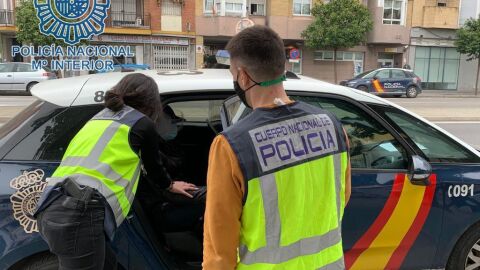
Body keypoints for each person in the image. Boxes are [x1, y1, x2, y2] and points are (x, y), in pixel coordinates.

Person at [203, 26, 351, 270]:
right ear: (282, 68)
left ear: (242, 77)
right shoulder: (333, 127)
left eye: (232, 74)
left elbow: (220, 247)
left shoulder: (231, 145)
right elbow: (341, 198)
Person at [34, 73, 197, 270]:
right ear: (153, 102)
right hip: (80, 214)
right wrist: (170, 185)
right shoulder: (141, 124)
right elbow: (155, 168)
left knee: (108, 265)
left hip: (54, 205)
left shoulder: (99, 118)